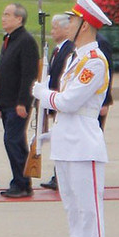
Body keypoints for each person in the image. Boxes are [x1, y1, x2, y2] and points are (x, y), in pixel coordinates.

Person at [31, 0, 111, 237]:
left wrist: (43, 93)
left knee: (89, 215)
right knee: (74, 215)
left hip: (84, 146)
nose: (69, 24)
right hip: (66, 143)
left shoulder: (94, 61)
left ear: (85, 26)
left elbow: (69, 102)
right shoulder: (76, 58)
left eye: (74, 20)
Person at [0, 3, 40, 198]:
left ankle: (22, 183)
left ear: (19, 19)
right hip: (7, 102)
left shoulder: (25, 41)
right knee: (14, 142)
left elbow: (28, 75)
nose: (3, 18)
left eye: (7, 14)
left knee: (13, 141)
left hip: (17, 103)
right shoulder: (10, 39)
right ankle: (20, 181)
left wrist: (23, 101)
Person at [38, 14, 75, 191]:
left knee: (64, 141)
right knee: (59, 140)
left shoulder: (69, 50)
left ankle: (61, 176)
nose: (52, 31)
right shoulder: (57, 50)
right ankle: (58, 175)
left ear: (67, 29)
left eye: (55, 28)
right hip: (53, 102)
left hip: (61, 101)